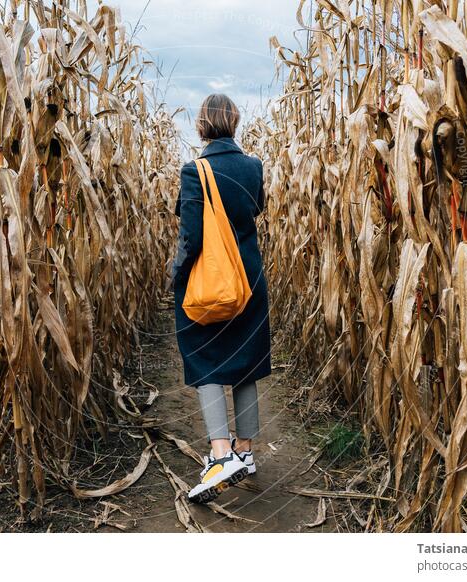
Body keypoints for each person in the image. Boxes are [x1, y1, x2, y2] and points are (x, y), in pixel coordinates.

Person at [171, 94, 272, 504]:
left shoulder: (194, 171)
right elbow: (256, 210)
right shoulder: (253, 167)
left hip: (210, 282)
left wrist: (176, 273)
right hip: (249, 280)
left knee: (204, 358)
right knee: (245, 361)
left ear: (202, 126)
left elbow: (191, 236)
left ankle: (220, 455)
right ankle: (244, 453)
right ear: (233, 122)